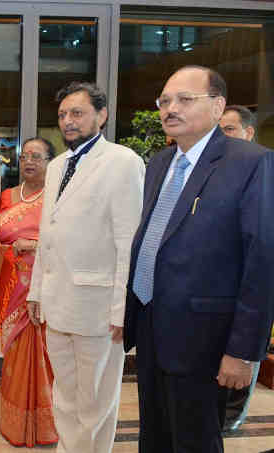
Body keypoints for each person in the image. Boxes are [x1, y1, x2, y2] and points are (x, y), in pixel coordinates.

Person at [124, 66, 274, 453]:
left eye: (184, 100)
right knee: (155, 435)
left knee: (195, 440)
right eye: (164, 101)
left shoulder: (250, 163)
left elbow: (262, 262)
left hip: (205, 338)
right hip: (151, 324)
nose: (170, 108)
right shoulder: (159, 163)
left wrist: (243, 351)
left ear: (217, 105)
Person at [27, 82, 145, 453]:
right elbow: (48, 233)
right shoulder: (58, 164)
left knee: (96, 399)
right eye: (62, 115)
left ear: (102, 115)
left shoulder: (123, 162)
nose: (68, 121)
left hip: (99, 308)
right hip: (58, 303)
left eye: (77, 113)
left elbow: (129, 242)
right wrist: (36, 292)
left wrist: (122, 309)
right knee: (65, 394)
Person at [0, 137, 58, 447]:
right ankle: (15, 424)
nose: (29, 162)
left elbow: (68, 242)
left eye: (37, 157)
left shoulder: (58, 199)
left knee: (45, 355)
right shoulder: (6, 196)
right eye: (25, 156)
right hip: (9, 286)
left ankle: (44, 426)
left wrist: (33, 245)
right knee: (15, 355)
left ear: (49, 162)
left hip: (45, 288)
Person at [219, 104, 260, 432]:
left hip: (255, 284)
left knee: (244, 351)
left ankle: (233, 417)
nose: (222, 137)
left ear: (249, 133)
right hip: (218, 294)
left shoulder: (262, 167)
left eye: (229, 130)